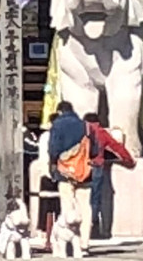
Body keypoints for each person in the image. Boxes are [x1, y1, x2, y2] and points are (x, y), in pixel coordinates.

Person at [48, 101, 97, 253]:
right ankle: (84, 243)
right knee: (85, 206)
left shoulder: (58, 125)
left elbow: (53, 148)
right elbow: (94, 149)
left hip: (65, 171)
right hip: (84, 171)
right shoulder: (85, 125)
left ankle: (68, 240)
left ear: (60, 111)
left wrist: (53, 164)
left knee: (67, 204)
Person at [83, 113, 136, 238]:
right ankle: (106, 230)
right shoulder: (102, 133)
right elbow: (116, 146)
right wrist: (129, 161)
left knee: (90, 199)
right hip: (100, 167)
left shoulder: (81, 133)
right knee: (104, 199)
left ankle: (91, 228)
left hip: (84, 168)